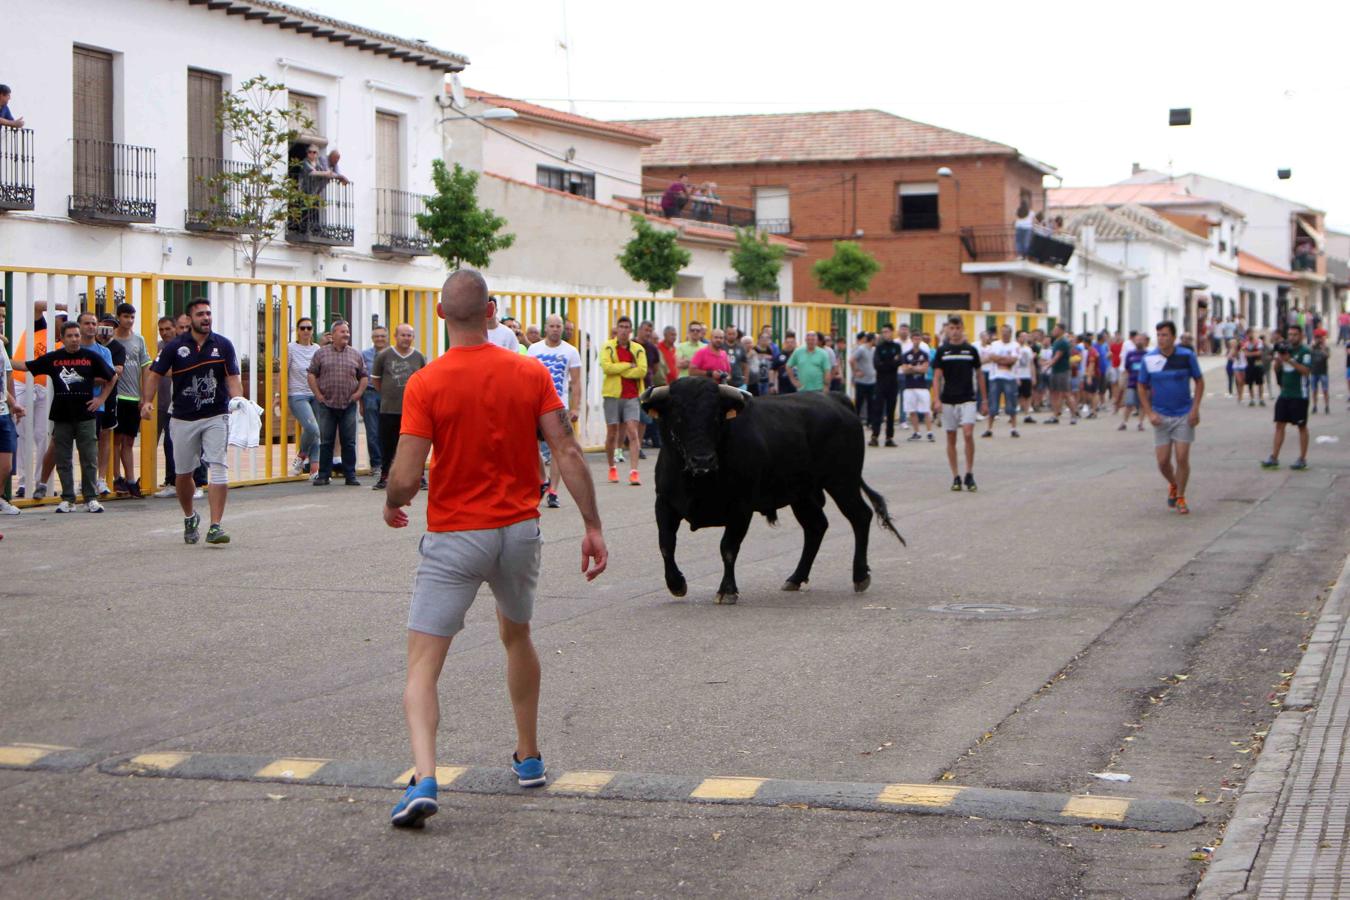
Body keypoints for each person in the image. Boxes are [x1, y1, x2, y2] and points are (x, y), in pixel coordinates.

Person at [382, 270, 607, 829]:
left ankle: (426, 777)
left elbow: (407, 476)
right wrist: (592, 525)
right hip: (517, 531)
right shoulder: (530, 372)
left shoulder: (426, 383)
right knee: (518, 635)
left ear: (439, 316)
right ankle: (528, 756)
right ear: (490, 314)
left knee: (423, 664)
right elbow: (568, 451)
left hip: (456, 534)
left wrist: (393, 500)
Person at [141, 299, 243, 542]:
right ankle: (190, 515)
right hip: (183, 418)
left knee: (217, 466)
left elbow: (233, 378)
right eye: (200, 314)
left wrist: (239, 401)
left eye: (208, 313)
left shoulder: (223, 345)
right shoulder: (175, 347)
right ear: (189, 319)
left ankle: (216, 526)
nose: (206, 318)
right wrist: (146, 401)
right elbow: (154, 375)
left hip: (216, 415)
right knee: (183, 473)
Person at [12, 321, 114, 513]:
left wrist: (100, 399)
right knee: (63, 458)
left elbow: (112, 377)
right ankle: (68, 498)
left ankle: (90, 498)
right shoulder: (54, 358)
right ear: (62, 338)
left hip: (86, 415)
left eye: (77, 335)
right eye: (70, 336)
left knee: (89, 457)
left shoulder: (91, 357)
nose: (74, 339)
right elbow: (25, 366)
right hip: (62, 415)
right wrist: (4, 357)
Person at [1137, 320, 1204, 516]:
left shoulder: (1186, 356)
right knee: (1163, 461)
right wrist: (1149, 412)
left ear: (1173, 337)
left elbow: (1199, 381)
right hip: (1161, 414)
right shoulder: (1149, 359)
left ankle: (1181, 496)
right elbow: (1142, 386)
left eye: (1165, 335)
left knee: (1182, 457)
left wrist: (1195, 408)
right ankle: (1174, 484)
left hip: (1183, 413)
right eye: (1158, 335)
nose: (1161, 339)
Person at [11, 300, 65, 499]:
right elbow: (36, 305)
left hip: (45, 388)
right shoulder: (39, 328)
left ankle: (42, 481)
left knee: (43, 435)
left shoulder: (65, 341)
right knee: (22, 434)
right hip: (21, 383)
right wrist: (64, 305)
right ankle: (24, 482)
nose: (63, 323)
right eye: (61, 319)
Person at [528, 314, 582, 509]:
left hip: (559, 406)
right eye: (551, 326)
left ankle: (553, 490)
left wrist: (575, 407)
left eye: (558, 326)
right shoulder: (534, 349)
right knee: (531, 446)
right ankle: (542, 479)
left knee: (558, 449)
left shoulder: (571, 351)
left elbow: (575, 382)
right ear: (546, 328)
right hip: (535, 405)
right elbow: (526, 377)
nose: (555, 329)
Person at [307, 321, 367, 487]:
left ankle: (350, 475)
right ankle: (324, 475)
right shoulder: (321, 354)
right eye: (342, 332)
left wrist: (358, 394)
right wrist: (317, 395)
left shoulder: (355, 354)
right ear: (333, 335)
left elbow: (364, 375)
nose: (346, 334)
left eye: (347, 332)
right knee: (326, 441)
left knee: (349, 441)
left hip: (348, 404)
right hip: (327, 404)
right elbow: (311, 374)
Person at [931, 316, 986, 491]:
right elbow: (937, 376)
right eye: (951, 328)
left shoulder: (971, 350)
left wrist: (984, 399)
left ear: (962, 328)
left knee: (968, 434)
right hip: (948, 399)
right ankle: (956, 476)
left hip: (968, 398)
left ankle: (969, 473)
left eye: (957, 328)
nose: (954, 331)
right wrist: (936, 399)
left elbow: (979, 375)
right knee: (951, 437)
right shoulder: (942, 351)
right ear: (947, 330)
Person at [371, 324, 426, 491]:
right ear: (395, 336)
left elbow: (424, 379)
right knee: (388, 445)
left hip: (413, 410)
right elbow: (376, 379)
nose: (406, 338)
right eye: (403, 335)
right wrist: (388, 394)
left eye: (409, 335)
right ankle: (385, 476)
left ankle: (419, 477)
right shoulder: (384, 355)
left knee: (415, 445)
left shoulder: (419, 357)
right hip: (389, 409)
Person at [600, 315, 646, 486]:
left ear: (631, 330)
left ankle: (634, 471)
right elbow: (607, 367)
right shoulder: (608, 346)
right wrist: (627, 365)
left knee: (632, 431)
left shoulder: (638, 349)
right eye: (621, 327)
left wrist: (619, 368)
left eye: (627, 327)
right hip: (612, 394)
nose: (624, 330)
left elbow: (641, 370)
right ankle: (612, 467)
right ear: (617, 329)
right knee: (612, 432)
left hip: (632, 395)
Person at [110, 303, 150, 497]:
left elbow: (145, 367)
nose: (129, 320)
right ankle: (117, 478)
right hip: (117, 395)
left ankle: (131, 479)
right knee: (116, 439)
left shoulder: (139, 340)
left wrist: (145, 395)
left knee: (129, 439)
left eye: (132, 317)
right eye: (126, 316)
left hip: (133, 397)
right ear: (119, 317)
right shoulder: (111, 340)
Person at [1262, 326, 1313, 471]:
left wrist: (1289, 360)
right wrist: (1279, 360)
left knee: (1301, 426)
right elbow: (1277, 369)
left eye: (1295, 335)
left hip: (1299, 395)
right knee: (1279, 424)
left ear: (1301, 335)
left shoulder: (1305, 352)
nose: (1292, 337)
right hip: (1285, 394)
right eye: (1290, 334)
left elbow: (1306, 371)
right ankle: (1274, 457)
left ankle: (1302, 458)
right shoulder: (1284, 349)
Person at [287, 317, 322, 479]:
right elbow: (283, 372)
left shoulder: (317, 348)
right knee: (312, 428)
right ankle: (302, 456)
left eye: (309, 328)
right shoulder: (290, 348)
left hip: (315, 393)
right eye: (302, 328)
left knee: (316, 432)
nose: (306, 331)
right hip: (297, 394)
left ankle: (314, 469)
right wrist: (279, 395)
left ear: (313, 331)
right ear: (297, 330)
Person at [0, 333, 25, 518]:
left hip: (2, 411)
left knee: (6, 466)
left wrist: (13, 403)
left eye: (2, 316)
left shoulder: (1, 345)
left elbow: (4, 382)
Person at [982, 324, 1020, 438]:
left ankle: (1013, 428)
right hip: (995, 377)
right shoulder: (994, 344)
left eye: (1006, 332)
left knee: (1011, 404)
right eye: (1002, 331)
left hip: (1010, 378)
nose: (1004, 334)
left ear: (1010, 333)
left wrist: (998, 359)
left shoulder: (1015, 345)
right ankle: (989, 429)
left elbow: (1013, 360)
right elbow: (992, 357)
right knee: (993, 404)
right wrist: (1004, 360)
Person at [362, 326, 389, 479]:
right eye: (376, 336)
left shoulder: (393, 354)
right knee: (372, 432)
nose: (379, 339)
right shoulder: (364, 355)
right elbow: (361, 376)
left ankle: (389, 463)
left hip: (389, 396)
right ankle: (376, 465)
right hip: (370, 394)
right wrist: (361, 402)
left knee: (389, 431)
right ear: (372, 338)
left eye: (382, 336)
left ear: (387, 338)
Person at [900, 335, 933, 442]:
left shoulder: (924, 354)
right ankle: (916, 432)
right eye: (914, 338)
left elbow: (925, 370)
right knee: (912, 410)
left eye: (918, 339)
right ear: (911, 340)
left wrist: (912, 367)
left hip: (922, 386)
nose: (916, 341)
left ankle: (929, 432)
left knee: (926, 410)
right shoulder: (906, 354)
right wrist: (917, 368)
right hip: (909, 386)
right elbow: (904, 370)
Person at [872, 324, 902, 445]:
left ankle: (889, 437)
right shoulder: (879, 347)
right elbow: (877, 365)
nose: (885, 334)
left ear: (892, 332)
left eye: (887, 331)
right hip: (880, 383)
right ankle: (875, 436)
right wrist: (891, 362)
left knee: (890, 411)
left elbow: (899, 361)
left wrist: (886, 363)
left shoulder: (897, 347)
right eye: (883, 332)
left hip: (893, 383)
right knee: (878, 410)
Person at [850, 331, 880, 444]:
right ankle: (856, 422)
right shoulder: (861, 349)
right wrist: (856, 371)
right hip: (861, 381)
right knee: (859, 402)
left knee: (871, 402)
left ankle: (869, 422)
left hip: (872, 381)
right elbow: (851, 360)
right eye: (875, 339)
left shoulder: (873, 350)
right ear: (871, 340)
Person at [1042, 323, 1074, 424]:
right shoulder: (1056, 341)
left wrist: (1047, 366)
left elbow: (1056, 357)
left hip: (1062, 371)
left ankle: (1073, 415)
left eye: (1055, 329)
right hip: (1056, 371)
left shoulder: (1062, 342)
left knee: (1066, 393)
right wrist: (1047, 363)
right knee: (1054, 393)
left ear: (1061, 330)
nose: (1053, 331)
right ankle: (1055, 415)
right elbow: (1053, 358)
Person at [1118, 332, 1148, 432]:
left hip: (1144, 384)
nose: (1139, 342)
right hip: (1132, 383)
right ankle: (1124, 422)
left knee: (1142, 404)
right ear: (1134, 341)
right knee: (1129, 403)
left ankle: (1140, 423)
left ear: (1145, 341)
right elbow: (1127, 367)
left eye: (1141, 340)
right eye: (1137, 340)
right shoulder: (1130, 354)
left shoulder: (1147, 354)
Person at [1308, 333, 1330, 414]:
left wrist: (1323, 348)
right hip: (1314, 372)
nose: (1318, 340)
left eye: (1319, 338)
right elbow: (1308, 353)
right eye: (1316, 338)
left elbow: (1327, 356)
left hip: (1323, 372)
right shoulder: (1312, 348)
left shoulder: (1325, 348)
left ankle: (1327, 406)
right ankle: (1314, 406)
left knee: (1325, 390)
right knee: (1314, 390)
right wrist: (1312, 345)